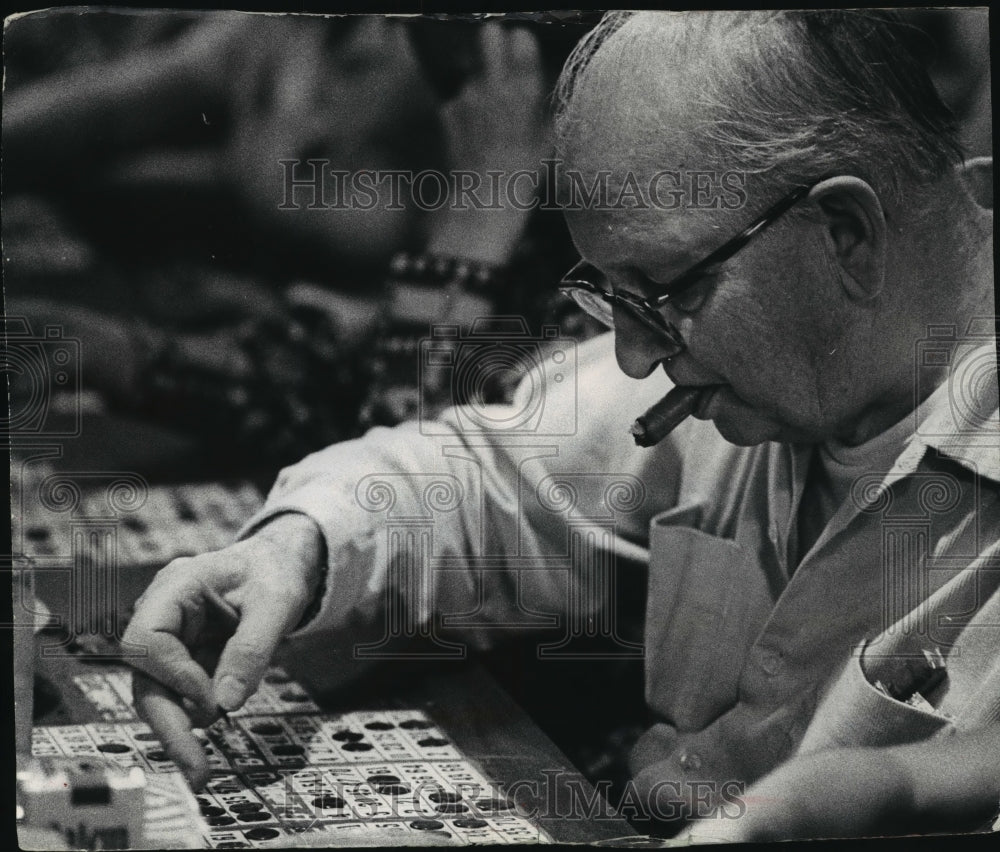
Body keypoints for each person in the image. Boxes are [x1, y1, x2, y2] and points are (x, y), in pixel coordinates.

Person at [122, 10, 999, 841]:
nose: (630, 359)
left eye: (660, 291)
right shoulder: (774, 354)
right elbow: (481, 472)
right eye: (614, 298)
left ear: (845, 232)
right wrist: (292, 548)